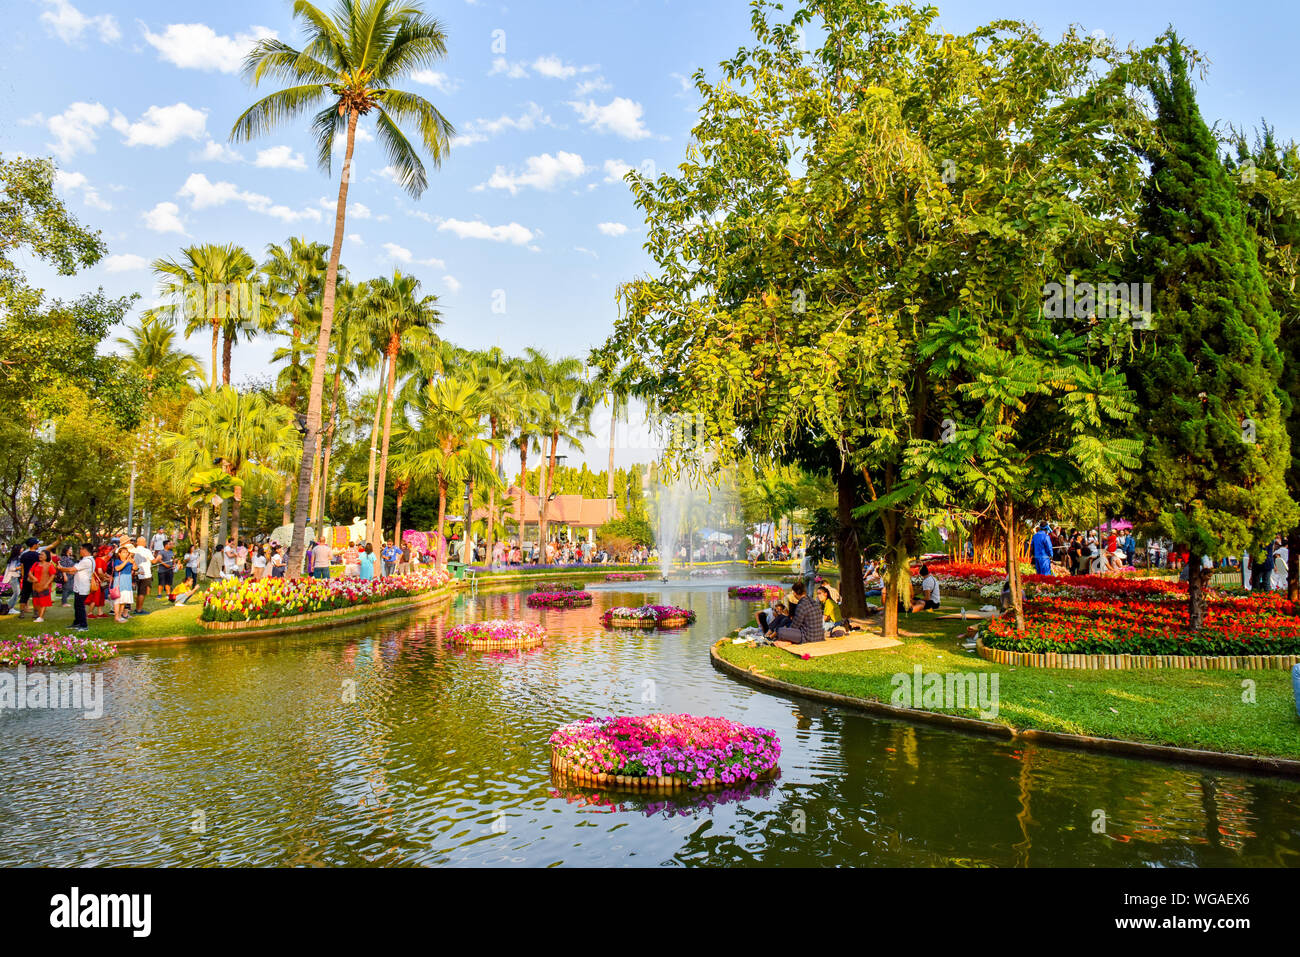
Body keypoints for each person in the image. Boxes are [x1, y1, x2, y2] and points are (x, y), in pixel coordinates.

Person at [773, 581, 824, 646]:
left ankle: (788, 641)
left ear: (794, 593)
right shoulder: (813, 601)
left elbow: (795, 626)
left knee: (779, 631)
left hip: (808, 637)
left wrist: (788, 632)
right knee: (787, 624)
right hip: (819, 635)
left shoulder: (801, 605)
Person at [12, 538, 41, 618]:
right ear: (34, 545)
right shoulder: (38, 555)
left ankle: (22, 613)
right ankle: (36, 613)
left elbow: (22, 567)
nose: (38, 545)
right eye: (38, 544)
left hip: (26, 578)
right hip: (35, 578)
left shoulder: (24, 555)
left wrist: (23, 577)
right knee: (35, 596)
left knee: (24, 596)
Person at [28, 549, 58, 624]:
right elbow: (30, 573)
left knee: (43, 602)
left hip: (44, 586)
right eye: (40, 554)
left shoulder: (49, 565)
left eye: (42, 555)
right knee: (37, 602)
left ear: (46, 556)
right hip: (35, 586)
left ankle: (41, 617)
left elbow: (52, 575)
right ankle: (39, 615)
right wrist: (33, 578)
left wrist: (47, 584)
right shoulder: (36, 564)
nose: (40, 556)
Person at [70, 543, 94, 630]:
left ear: (85, 550)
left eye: (81, 549)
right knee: (77, 605)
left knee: (80, 606)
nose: (80, 551)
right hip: (79, 587)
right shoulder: (86, 560)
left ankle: (83, 625)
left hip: (82, 587)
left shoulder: (86, 561)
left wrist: (61, 568)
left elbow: (72, 569)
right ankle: (77, 622)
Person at [112, 544, 135, 623]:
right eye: (124, 552)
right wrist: (126, 561)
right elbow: (118, 568)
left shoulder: (129, 561)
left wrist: (133, 561)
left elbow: (135, 568)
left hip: (127, 583)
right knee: (118, 601)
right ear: (119, 554)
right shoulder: (117, 561)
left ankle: (120, 615)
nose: (126, 554)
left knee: (124, 601)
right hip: (120, 582)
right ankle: (116, 616)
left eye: (126, 552)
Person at [133, 536, 154, 615]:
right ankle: (139, 610)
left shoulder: (134, 551)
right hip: (145, 574)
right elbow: (153, 560)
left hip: (137, 573)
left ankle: (137, 608)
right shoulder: (147, 551)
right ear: (144, 543)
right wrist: (159, 558)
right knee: (142, 593)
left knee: (139, 592)